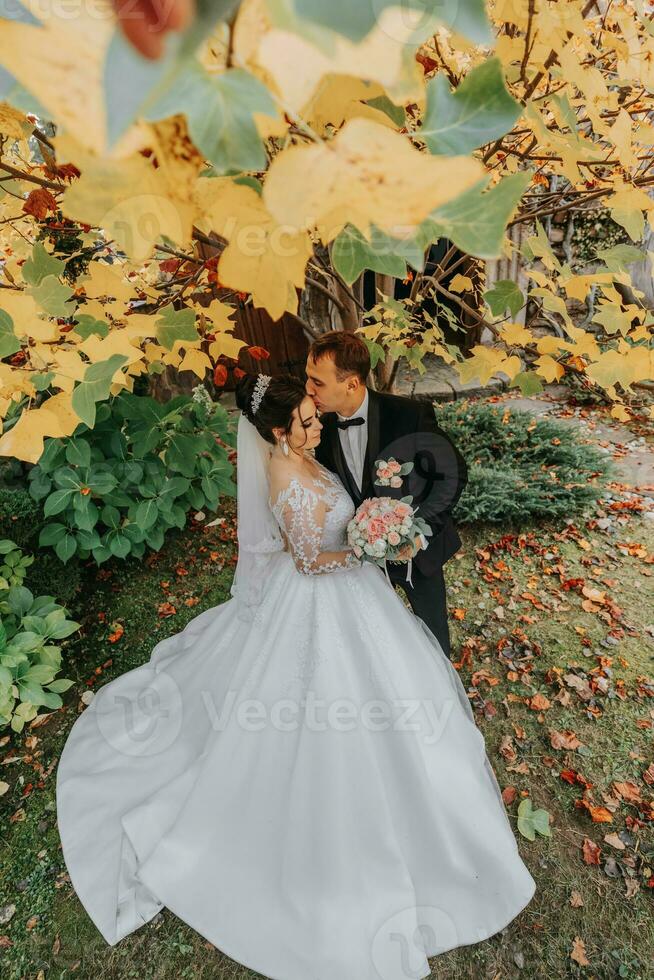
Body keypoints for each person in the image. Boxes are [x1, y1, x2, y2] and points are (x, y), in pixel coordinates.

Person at [56, 372, 535, 980]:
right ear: (278, 432)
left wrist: (377, 527)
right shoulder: (282, 472)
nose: (319, 425)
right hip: (317, 598)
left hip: (359, 596)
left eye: (316, 414)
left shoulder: (308, 456)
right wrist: (368, 550)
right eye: (308, 420)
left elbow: (340, 515)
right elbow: (308, 561)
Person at [308, 331, 468, 660]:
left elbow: (452, 473)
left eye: (317, 382)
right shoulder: (318, 429)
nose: (309, 390)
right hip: (360, 564)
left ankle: (441, 697)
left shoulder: (408, 416)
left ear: (351, 384)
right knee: (375, 643)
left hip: (418, 558)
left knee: (434, 637)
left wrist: (420, 533)